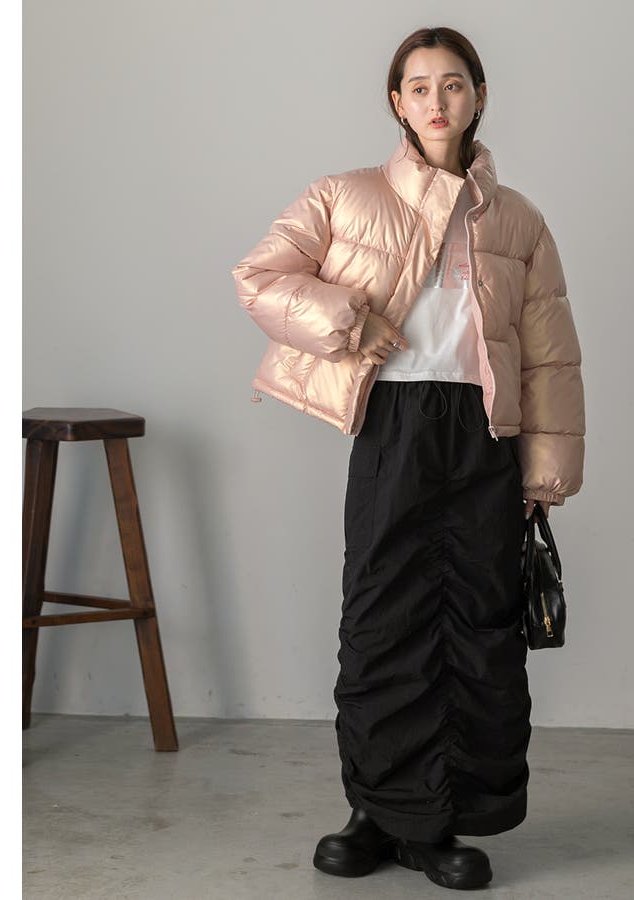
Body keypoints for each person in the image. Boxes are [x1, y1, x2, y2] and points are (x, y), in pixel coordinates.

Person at [231, 25, 585, 892]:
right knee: (382, 618)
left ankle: (444, 822)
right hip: (394, 423)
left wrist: (545, 470)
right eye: (419, 87)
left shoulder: (519, 219)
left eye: (453, 84)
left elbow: (548, 355)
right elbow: (260, 278)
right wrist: (348, 319)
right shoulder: (345, 195)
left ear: (479, 97)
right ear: (397, 101)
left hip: (485, 435)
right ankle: (376, 812)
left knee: (478, 624)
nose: (437, 101)